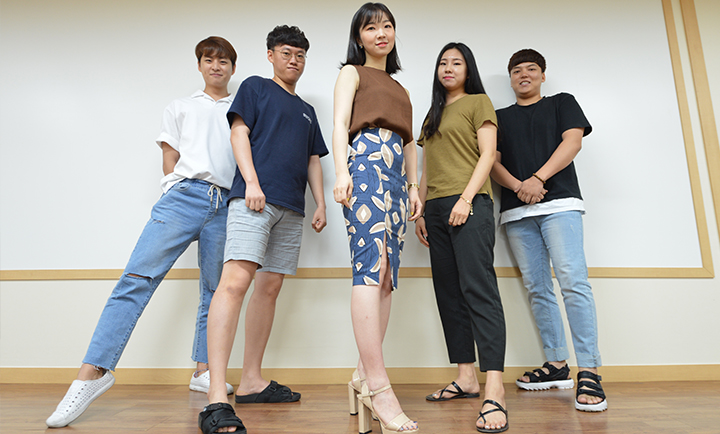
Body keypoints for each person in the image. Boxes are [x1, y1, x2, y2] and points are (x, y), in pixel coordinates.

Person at [45, 36, 238, 429]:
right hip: (185, 197)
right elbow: (169, 153)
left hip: (227, 203)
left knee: (215, 291)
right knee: (136, 279)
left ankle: (204, 371)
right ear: (199, 65)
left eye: (223, 61)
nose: (216, 66)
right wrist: (173, 187)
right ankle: (93, 372)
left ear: (233, 68)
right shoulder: (181, 106)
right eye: (209, 59)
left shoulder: (240, 109)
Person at [198, 25, 327, 434]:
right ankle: (216, 395)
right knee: (235, 283)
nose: (294, 60)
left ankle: (252, 381)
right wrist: (251, 182)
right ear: (271, 55)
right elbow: (239, 132)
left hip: (292, 208)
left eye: (300, 55)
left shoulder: (307, 110)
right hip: (254, 199)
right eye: (287, 53)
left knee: (269, 288)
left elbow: (312, 159)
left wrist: (320, 203)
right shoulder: (255, 86)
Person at [490, 48, 606, 412]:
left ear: (542, 75)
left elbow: (573, 142)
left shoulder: (561, 103)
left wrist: (537, 179)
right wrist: (519, 186)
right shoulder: (498, 117)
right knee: (537, 288)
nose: (523, 75)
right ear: (511, 78)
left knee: (573, 281)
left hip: (560, 205)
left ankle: (589, 369)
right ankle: (557, 364)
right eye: (517, 71)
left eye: (531, 69)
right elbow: (490, 160)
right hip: (516, 212)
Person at [332, 3, 421, 434]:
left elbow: (409, 142)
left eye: (387, 25)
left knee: (387, 274)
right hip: (365, 164)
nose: (380, 33)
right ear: (359, 37)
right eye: (371, 27)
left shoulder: (401, 88)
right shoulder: (352, 73)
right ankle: (379, 387)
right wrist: (341, 172)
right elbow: (339, 124)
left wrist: (414, 187)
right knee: (370, 268)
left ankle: (362, 375)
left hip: (396, 177)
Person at [414, 42, 508, 433]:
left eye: (456, 62)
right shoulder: (433, 114)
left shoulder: (478, 102)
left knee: (478, 290)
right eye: (443, 62)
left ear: (468, 69)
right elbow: (426, 166)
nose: (448, 68)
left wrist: (466, 199)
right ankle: (466, 377)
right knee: (449, 293)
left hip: (470, 204)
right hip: (436, 209)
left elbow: (488, 155)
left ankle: (495, 388)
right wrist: (421, 208)